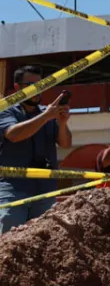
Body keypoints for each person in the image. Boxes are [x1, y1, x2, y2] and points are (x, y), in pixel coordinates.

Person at [0, 65, 72, 233]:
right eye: (31, 85)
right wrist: (46, 116)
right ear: (17, 88)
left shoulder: (47, 113)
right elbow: (14, 135)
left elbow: (66, 144)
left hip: (44, 190)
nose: (37, 90)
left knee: (44, 243)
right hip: (14, 189)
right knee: (8, 241)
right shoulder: (5, 110)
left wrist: (62, 123)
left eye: (41, 85)